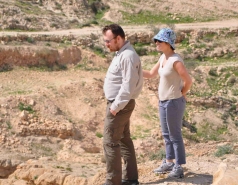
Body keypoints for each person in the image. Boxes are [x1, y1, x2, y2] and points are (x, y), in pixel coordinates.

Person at [143, 28, 192, 178]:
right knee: (166, 134)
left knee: (175, 135)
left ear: (168, 43)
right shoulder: (163, 58)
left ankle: (178, 167)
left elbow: (188, 81)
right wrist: (134, 70)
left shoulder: (175, 60)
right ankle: (169, 161)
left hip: (173, 102)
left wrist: (181, 94)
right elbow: (151, 74)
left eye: (159, 41)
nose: (156, 43)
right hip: (163, 101)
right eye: (156, 40)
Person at [102, 24, 143, 185]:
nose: (106, 44)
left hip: (120, 106)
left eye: (108, 41)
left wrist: (115, 106)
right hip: (120, 104)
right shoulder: (122, 54)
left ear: (118, 38)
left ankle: (113, 182)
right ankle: (130, 178)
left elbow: (128, 85)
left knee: (110, 141)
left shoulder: (127, 56)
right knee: (124, 139)